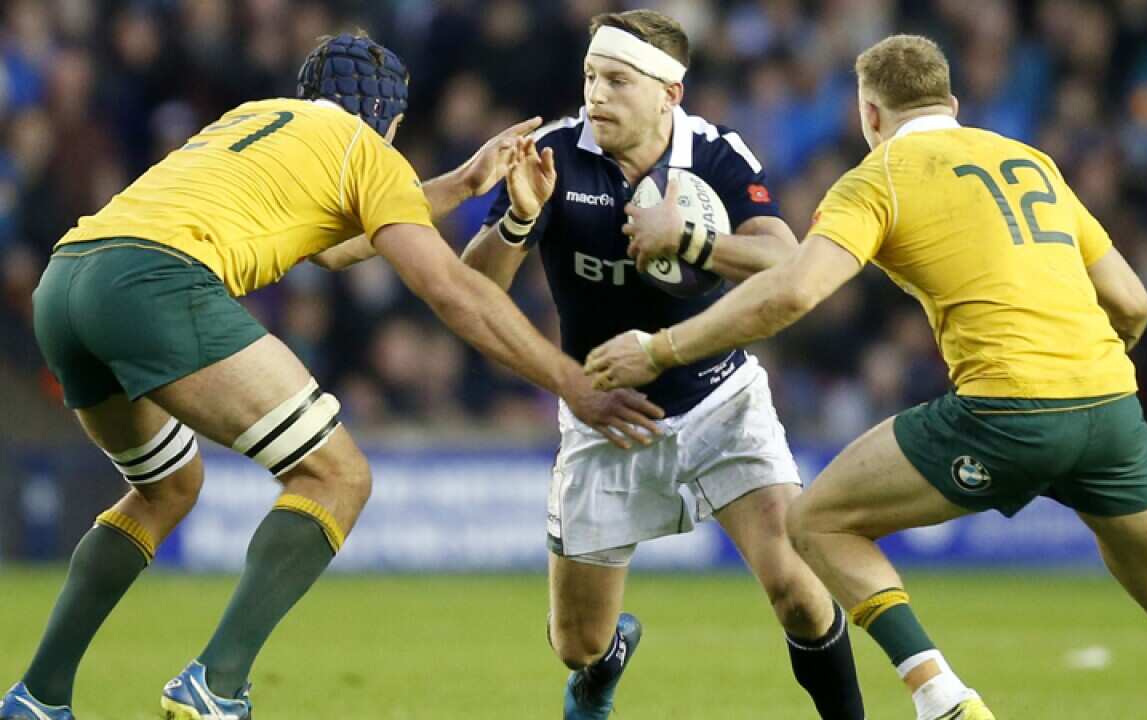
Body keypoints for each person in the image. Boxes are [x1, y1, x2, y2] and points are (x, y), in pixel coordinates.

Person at [586, 33, 1147, 720]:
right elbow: (1133, 301)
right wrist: (1085, 375)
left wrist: (661, 349)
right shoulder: (1030, 160)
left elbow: (793, 293)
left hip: (1006, 409)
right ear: (951, 102)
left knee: (817, 522)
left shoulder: (878, 176)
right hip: (1111, 411)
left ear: (870, 116)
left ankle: (942, 698)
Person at [0, 32, 660, 720]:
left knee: (165, 488)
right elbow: (451, 290)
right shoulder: (366, 150)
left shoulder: (255, 119)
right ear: (389, 122)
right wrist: (568, 378)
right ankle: (215, 686)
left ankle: (37, 697)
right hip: (154, 284)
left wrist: (465, 183)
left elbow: (335, 248)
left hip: (69, 278)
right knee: (338, 477)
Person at [462, 9, 864, 720]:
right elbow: (471, 289)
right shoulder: (553, 153)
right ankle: (604, 663)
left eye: (617, 80)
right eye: (590, 76)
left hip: (720, 401)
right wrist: (520, 219)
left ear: (668, 94)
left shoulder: (716, 154)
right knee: (576, 643)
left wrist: (690, 239)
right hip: (606, 417)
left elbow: (786, 260)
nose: (596, 95)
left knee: (799, 593)